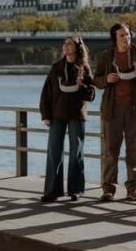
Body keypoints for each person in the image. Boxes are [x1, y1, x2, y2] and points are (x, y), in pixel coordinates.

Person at [93, 23, 136, 202]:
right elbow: (96, 81)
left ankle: (133, 189)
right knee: (110, 151)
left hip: (135, 109)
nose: (126, 38)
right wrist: (107, 79)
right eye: (122, 35)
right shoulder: (106, 56)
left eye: (128, 35)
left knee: (134, 152)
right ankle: (108, 189)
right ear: (115, 37)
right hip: (112, 110)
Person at [39, 36, 95, 203]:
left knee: (76, 152)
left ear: (77, 47)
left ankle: (76, 190)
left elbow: (91, 94)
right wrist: (45, 114)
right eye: (64, 43)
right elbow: (46, 93)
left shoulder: (84, 68)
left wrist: (82, 86)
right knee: (54, 152)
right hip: (57, 115)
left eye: (69, 43)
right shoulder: (56, 67)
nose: (65, 46)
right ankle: (52, 191)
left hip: (77, 115)